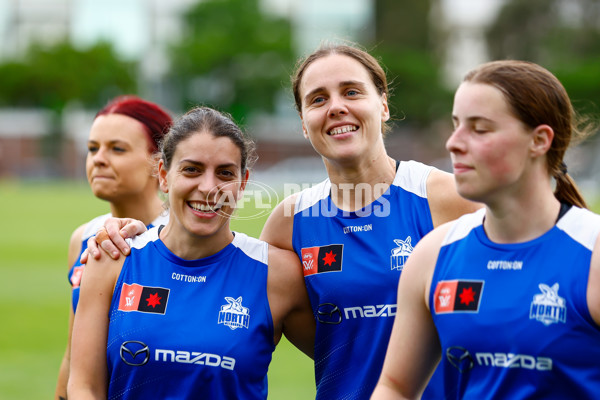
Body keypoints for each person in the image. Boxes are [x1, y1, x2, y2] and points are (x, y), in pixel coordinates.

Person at [83, 43, 481, 399]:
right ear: (303, 123)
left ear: (384, 104)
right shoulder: (290, 223)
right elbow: (222, 280)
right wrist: (131, 229)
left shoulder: (450, 199)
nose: (337, 107)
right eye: (318, 99)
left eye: (352, 92)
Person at [371, 60, 600, 400]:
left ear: (539, 140)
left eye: (479, 129)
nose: (453, 143)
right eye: (456, 125)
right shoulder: (433, 254)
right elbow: (396, 388)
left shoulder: (591, 253)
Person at [67, 107, 315, 399]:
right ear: (163, 175)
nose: (208, 187)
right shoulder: (113, 259)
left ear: (243, 183)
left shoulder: (276, 274)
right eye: (192, 169)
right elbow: (84, 387)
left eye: (224, 173)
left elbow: (346, 360)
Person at [54, 95, 172, 400]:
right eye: (93, 148)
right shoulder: (84, 237)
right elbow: (72, 355)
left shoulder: (183, 238)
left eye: (117, 149)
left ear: (159, 164)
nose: (99, 159)